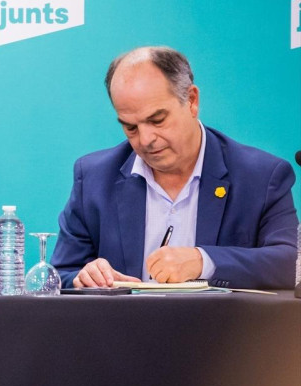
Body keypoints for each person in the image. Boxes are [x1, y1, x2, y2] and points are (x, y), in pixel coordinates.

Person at [51, 46, 298, 289]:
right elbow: (60, 274)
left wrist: (204, 261)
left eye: (157, 120)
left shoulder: (261, 176)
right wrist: (83, 277)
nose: (146, 140)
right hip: (123, 327)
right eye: (131, 128)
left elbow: (290, 263)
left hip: (222, 328)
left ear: (191, 101)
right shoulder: (94, 177)